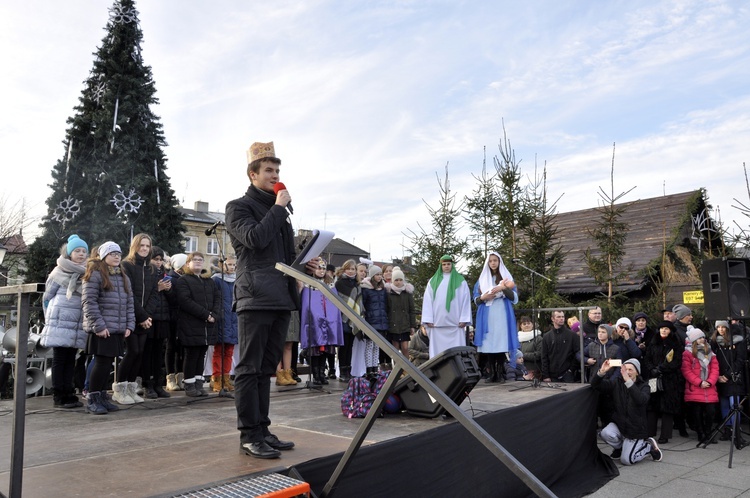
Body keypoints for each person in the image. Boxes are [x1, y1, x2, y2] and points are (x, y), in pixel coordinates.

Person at [225, 141, 307, 459]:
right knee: (248, 367)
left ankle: (262, 429)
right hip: (255, 295)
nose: (275, 176)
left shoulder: (280, 212)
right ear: (253, 174)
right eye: (269, 171)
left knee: (265, 368)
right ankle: (248, 434)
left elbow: (285, 257)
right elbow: (255, 239)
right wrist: (278, 207)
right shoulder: (238, 207)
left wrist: (305, 262)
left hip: (281, 296)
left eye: (277, 171)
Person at [81, 241, 135, 413]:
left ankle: (103, 396)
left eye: (119, 253)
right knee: (101, 363)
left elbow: (129, 303)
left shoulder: (123, 277)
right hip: (103, 328)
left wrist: (129, 325)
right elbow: (89, 302)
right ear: (104, 256)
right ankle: (93, 398)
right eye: (112, 254)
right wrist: (99, 326)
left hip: (118, 328)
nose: (117, 256)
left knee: (109, 364)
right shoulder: (95, 274)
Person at [40, 234, 89, 409]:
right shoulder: (58, 272)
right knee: (60, 358)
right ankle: (59, 395)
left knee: (71, 359)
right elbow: (47, 297)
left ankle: (69, 392)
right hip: (60, 322)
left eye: (84, 251)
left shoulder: (87, 272)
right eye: (77, 251)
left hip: (77, 323)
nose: (81, 254)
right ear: (69, 253)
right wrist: (50, 319)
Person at [592, 358, 663, 464]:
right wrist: (602, 371)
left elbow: (641, 401)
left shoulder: (644, 386)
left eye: (631, 370)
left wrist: (629, 382)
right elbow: (596, 385)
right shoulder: (616, 382)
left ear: (637, 372)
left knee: (627, 460)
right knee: (605, 433)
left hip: (635, 430)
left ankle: (647, 447)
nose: (628, 372)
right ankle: (621, 448)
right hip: (620, 425)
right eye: (625, 369)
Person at [173, 252, 221, 397]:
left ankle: (199, 384)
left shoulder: (209, 281)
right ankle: (189, 385)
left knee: (202, 353)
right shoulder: (183, 281)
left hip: (208, 325)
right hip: (191, 324)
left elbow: (217, 298)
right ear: (188, 264)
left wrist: (215, 314)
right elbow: (185, 301)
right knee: (192, 354)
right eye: (195, 260)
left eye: (201, 260)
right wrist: (206, 314)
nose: (199, 262)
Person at [120, 233, 158, 401]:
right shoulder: (126, 265)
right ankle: (120, 389)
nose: (144, 249)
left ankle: (130, 389)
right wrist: (142, 316)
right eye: (141, 245)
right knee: (132, 351)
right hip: (130, 316)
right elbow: (128, 293)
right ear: (135, 246)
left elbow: (154, 294)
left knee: (140, 352)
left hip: (145, 319)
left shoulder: (152, 268)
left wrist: (147, 316)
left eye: (147, 246)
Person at [472, 251, 518, 384]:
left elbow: (514, 297)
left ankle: (500, 373)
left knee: (500, 343)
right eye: (490, 261)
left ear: (499, 262)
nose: (493, 263)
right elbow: (475, 299)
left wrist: (503, 288)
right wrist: (483, 297)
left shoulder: (506, 278)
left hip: (501, 314)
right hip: (487, 315)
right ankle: (491, 373)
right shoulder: (482, 279)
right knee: (489, 344)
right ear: (487, 263)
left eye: (495, 260)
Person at [299, 259, 344, 385]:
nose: (322, 270)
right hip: (315, 323)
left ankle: (322, 373)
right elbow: (307, 305)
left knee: (325, 350)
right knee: (315, 350)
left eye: (323, 268)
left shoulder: (330, 285)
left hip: (328, 323)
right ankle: (315, 374)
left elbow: (334, 304)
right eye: (319, 268)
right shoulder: (308, 285)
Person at [421, 255, 472, 358]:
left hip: (455, 324)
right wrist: (428, 319)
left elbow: (466, 300)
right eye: (444, 264)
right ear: (441, 265)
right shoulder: (432, 281)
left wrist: (464, 318)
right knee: (438, 354)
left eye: (448, 264)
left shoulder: (461, 281)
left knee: (457, 352)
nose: (446, 266)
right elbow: (427, 301)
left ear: (452, 265)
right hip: (437, 324)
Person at [644, 320, 684, 444]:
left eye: (666, 329)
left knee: (667, 407)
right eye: (662, 329)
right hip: (653, 377)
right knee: (652, 405)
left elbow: (676, 362)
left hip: (669, 379)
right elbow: (647, 358)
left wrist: (662, 369)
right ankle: (649, 433)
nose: (664, 331)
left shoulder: (675, 344)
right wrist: (652, 369)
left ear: (670, 330)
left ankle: (665, 435)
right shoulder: (653, 342)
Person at [711, 320, 747, 446]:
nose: (721, 329)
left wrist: (727, 375)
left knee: (734, 405)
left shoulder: (738, 341)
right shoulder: (715, 343)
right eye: (718, 327)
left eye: (723, 327)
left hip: (733, 378)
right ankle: (727, 429)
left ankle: (737, 431)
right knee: (724, 405)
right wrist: (718, 376)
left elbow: (740, 360)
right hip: (719, 378)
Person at [681, 329, 719, 444]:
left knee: (710, 411)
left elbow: (715, 369)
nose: (702, 339)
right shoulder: (687, 353)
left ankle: (708, 432)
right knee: (696, 412)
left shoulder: (710, 352)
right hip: (695, 387)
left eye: (702, 337)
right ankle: (700, 433)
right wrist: (699, 382)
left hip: (709, 387)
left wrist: (710, 381)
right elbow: (686, 370)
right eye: (699, 338)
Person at [144, 246, 172, 398]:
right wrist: (158, 288)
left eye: (161, 260)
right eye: (156, 259)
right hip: (150, 317)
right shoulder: (146, 273)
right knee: (147, 352)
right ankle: (148, 384)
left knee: (158, 353)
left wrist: (169, 289)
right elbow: (145, 293)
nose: (159, 262)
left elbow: (172, 298)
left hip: (162, 318)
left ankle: (158, 384)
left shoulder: (164, 273)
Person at [211, 256, 239, 392]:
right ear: (222, 265)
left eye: (234, 265)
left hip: (234, 319)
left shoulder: (237, 280)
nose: (232, 267)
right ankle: (217, 379)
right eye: (229, 264)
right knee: (219, 350)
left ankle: (226, 378)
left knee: (229, 351)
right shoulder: (216, 280)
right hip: (221, 319)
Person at [165, 253, 187, 391]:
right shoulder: (171, 279)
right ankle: (170, 377)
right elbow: (171, 300)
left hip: (183, 318)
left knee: (182, 348)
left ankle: (180, 376)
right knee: (171, 347)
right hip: (172, 318)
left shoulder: (186, 279)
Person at [360, 265, 387, 376]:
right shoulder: (366, 289)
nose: (379, 277)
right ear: (372, 276)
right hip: (371, 321)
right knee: (370, 345)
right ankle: (369, 368)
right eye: (377, 274)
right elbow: (363, 305)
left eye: (380, 274)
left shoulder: (383, 289)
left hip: (381, 321)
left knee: (377, 346)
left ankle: (375, 368)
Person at [386, 267, 416, 363]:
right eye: (396, 280)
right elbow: (387, 310)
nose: (398, 282)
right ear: (392, 281)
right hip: (393, 324)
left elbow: (412, 310)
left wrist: (412, 325)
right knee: (395, 348)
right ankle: (397, 370)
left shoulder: (407, 293)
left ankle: (407, 369)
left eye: (400, 280)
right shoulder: (389, 293)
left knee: (405, 348)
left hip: (404, 324)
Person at [541, 310, 580, 383]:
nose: (561, 319)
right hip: (551, 376)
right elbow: (544, 357)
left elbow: (577, 354)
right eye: (558, 317)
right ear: (552, 319)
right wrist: (546, 375)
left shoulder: (572, 335)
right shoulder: (547, 336)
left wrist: (571, 370)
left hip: (568, 375)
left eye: (562, 317)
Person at [517, 316, 542, 380]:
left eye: (528, 323)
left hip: (534, 372)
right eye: (524, 324)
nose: (526, 325)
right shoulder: (516, 339)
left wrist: (523, 355)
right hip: (518, 371)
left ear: (532, 325)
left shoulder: (538, 338)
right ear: (521, 326)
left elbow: (539, 354)